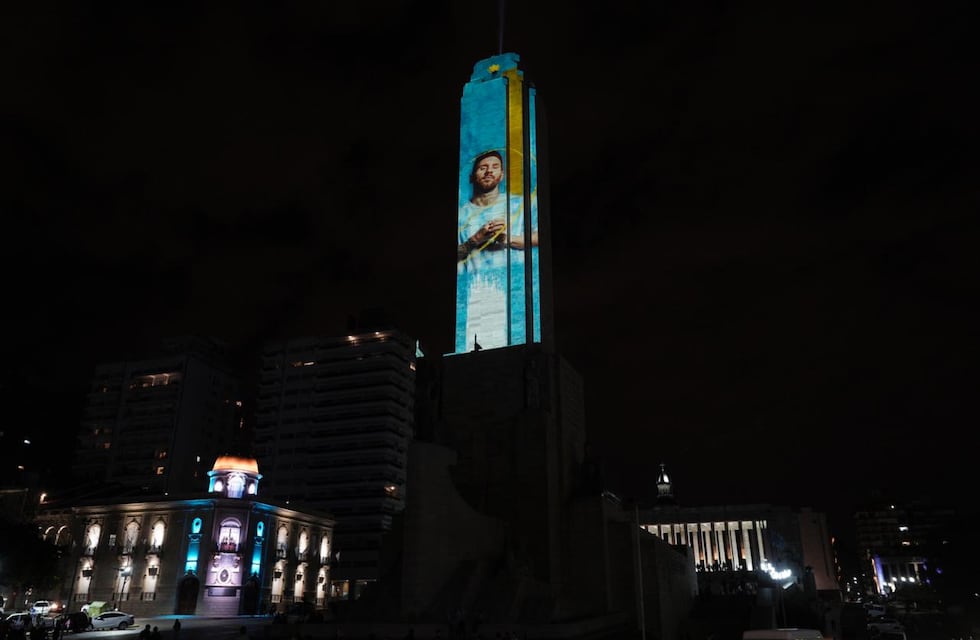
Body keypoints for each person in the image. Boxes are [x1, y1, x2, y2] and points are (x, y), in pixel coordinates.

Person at [455, 150, 539, 352]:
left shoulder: (522, 203)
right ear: (474, 175)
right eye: (483, 168)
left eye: (494, 167)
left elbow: (539, 236)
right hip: (475, 294)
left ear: (502, 174)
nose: (488, 172)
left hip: (515, 290)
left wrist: (507, 238)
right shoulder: (461, 215)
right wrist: (477, 238)